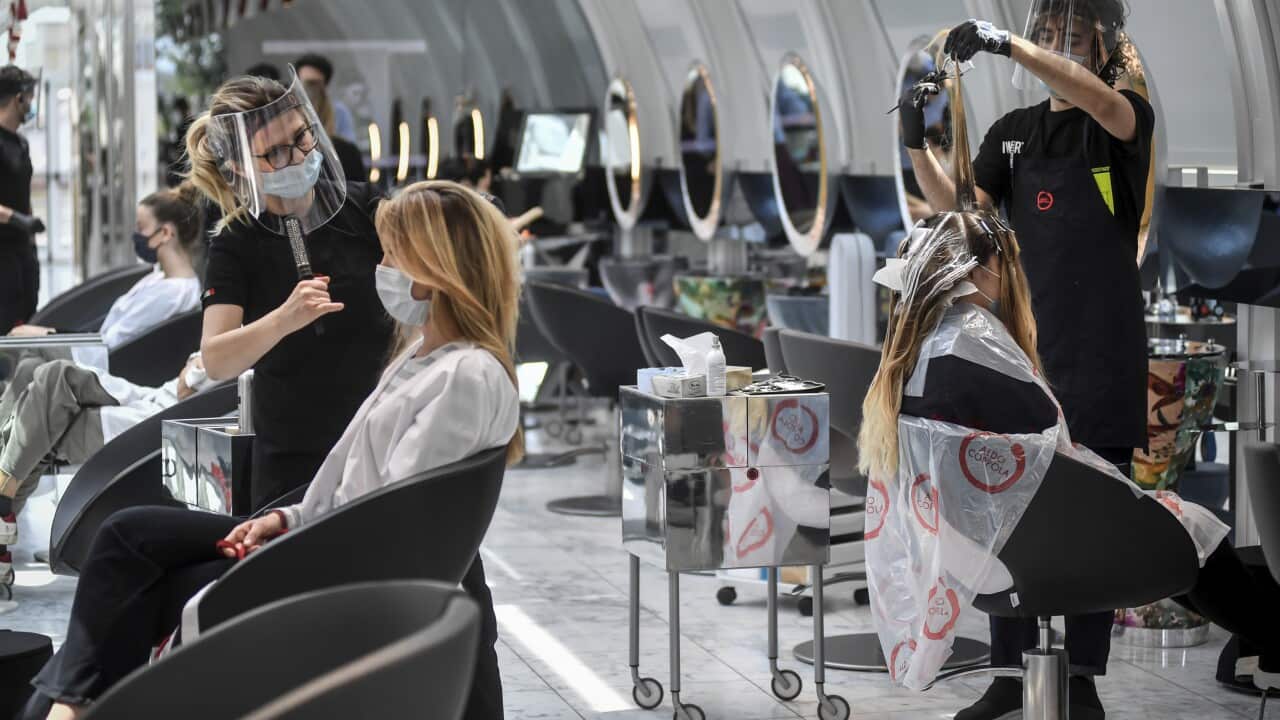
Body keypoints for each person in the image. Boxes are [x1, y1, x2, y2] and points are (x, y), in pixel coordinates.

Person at [22, 180, 522, 720]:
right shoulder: (424, 355)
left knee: (140, 576)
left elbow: (390, 529)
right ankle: (73, 703)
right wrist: (284, 517)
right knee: (128, 535)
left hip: (330, 562)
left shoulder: (465, 377)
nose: (383, 267)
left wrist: (289, 539)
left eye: (393, 255)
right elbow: (367, 491)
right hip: (317, 533)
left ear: (432, 272)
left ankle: (65, 708)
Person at [858, 207, 1280, 715]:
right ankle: (1272, 636)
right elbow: (1054, 445)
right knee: (1196, 536)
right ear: (974, 271)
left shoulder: (913, 350)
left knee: (1178, 526)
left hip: (977, 559)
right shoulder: (976, 344)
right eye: (1000, 263)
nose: (1008, 275)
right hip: (1042, 550)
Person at [897, 3, 1149, 714]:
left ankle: (1081, 679)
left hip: (1100, 354)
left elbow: (1102, 98)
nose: (1057, 49)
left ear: (1105, 47)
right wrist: (918, 145)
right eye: (1047, 36)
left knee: (1092, 519)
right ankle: (1008, 679)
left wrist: (1007, 44)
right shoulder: (1013, 134)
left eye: (1074, 39)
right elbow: (963, 215)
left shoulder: (1123, 120)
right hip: (1021, 358)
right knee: (1000, 511)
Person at [187, 71, 394, 509]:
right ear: (239, 165)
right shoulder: (237, 241)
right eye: (276, 153)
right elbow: (217, 358)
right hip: (295, 460)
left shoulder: (364, 206)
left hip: (382, 438)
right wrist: (284, 319)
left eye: (303, 138)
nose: (298, 157)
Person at [0, 353, 212, 592]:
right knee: (31, 369)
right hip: (152, 396)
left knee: (51, 388)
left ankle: (4, 492)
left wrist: (198, 364)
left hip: (160, 416)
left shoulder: (247, 336)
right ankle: (3, 501)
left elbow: (190, 383)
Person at [9, 184, 204, 349]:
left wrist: (46, 336)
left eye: (141, 228)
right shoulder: (161, 280)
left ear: (166, 233)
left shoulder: (172, 294)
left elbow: (109, 346)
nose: (136, 235)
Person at [0, 65, 44, 335]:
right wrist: (16, 220)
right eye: (30, 97)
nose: (31, 104)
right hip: (2, 254)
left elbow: (21, 191)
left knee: (27, 321)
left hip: (23, 253)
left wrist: (29, 230)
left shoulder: (20, 143)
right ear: (19, 98)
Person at [293, 53, 356, 143]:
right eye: (305, 83)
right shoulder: (288, 112)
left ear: (325, 85)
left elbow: (348, 148)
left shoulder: (339, 112)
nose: (309, 89)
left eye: (314, 83)